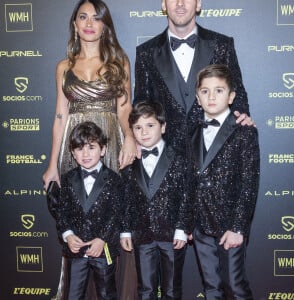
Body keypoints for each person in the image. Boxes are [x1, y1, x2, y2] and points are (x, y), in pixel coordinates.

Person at [42, 1, 137, 299]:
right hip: (74, 145)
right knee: (77, 215)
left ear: (105, 25)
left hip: (109, 142)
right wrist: (52, 163)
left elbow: (124, 108)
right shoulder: (63, 67)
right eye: (83, 16)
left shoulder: (119, 61)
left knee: (110, 215)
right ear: (74, 24)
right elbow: (60, 116)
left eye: (96, 18)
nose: (89, 22)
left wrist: (131, 138)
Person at [133, 0, 252, 155]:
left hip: (214, 155)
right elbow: (142, 103)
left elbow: (237, 93)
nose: (180, 3)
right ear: (164, 5)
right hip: (167, 159)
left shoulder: (222, 45)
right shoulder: (146, 52)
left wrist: (241, 116)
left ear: (198, 4)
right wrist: (136, 137)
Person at [190, 64, 260, 299]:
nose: (211, 97)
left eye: (219, 91)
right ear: (197, 97)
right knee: (211, 288)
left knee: (235, 286)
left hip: (229, 225)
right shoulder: (191, 132)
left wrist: (238, 227)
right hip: (200, 226)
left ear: (231, 97)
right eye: (205, 91)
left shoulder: (244, 131)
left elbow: (249, 183)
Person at [120, 101, 194, 300]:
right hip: (142, 235)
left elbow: (186, 195)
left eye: (150, 125)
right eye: (138, 128)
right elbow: (126, 201)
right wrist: (125, 230)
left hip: (172, 235)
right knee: (145, 289)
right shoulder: (129, 165)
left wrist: (182, 228)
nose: (144, 132)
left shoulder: (179, 159)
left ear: (163, 126)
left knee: (171, 289)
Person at [54, 121, 123, 300]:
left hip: (103, 248)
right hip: (76, 250)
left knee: (107, 293)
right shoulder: (68, 179)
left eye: (91, 147)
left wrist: (102, 239)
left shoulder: (114, 179)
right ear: (72, 153)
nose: (85, 154)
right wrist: (68, 235)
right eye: (79, 148)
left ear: (103, 149)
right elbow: (62, 211)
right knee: (73, 294)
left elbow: (115, 214)